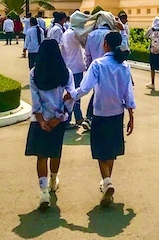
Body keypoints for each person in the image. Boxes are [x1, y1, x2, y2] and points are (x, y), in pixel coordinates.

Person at [66, 31, 135, 208]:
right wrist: (131, 114)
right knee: (111, 149)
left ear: (105, 44)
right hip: (117, 113)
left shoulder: (98, 64)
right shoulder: (124, 65)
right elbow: (128, 92)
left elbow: (85, 88)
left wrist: (71, 95)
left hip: (100, 113)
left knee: (100, 149)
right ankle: (107, 182)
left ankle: (106, 180)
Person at [25, 38, 74, 211]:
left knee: (41, 155)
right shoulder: (65, 72)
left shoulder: (35, 73)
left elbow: (35, 99)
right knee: (55, 152)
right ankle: (54, 179)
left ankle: (44, 191)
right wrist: (59, 118)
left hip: (41, 120)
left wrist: (41, 120)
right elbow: (70, 96)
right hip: (58, 120)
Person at [60, 17, 88, 128]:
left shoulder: (67, 33)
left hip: (70, 66)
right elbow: (85, 43)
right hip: (76, 68)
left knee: (72, 94)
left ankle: (77, 117)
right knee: (75, 95)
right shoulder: (74, 34)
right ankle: (74, 118)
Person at [144, 16, 159, 91]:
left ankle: (153, 84)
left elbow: (145, 36)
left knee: (152, 68)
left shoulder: (151, 30)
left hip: (153, 51)